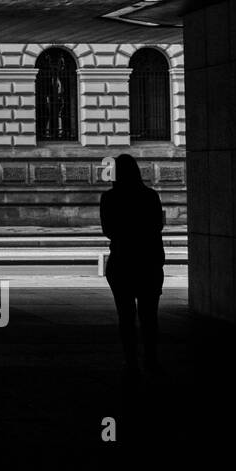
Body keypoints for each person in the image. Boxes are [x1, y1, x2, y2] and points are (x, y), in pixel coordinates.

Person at [99, 153, 165, 377]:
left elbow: (108, 230)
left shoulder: (109, 198)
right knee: (149, 317)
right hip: (148, 263)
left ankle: (131, 363)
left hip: (122, 262)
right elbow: (157, 226)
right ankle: (152, 361)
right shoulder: (150, 196)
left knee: (126, 317)